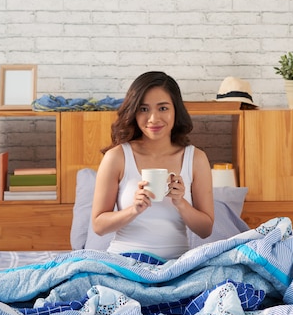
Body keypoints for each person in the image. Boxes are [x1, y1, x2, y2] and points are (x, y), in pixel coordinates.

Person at [91, 71, 214, 259]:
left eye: (163, 108)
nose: (153, 119)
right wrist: (134, 209)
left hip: (175, 266)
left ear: (175, 110)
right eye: (144, 109)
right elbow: (98, 226)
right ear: (134, 112)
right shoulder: (116, 157)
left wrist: (181, 203)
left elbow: (205, 229)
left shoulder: (196, 158)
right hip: (126, 262)